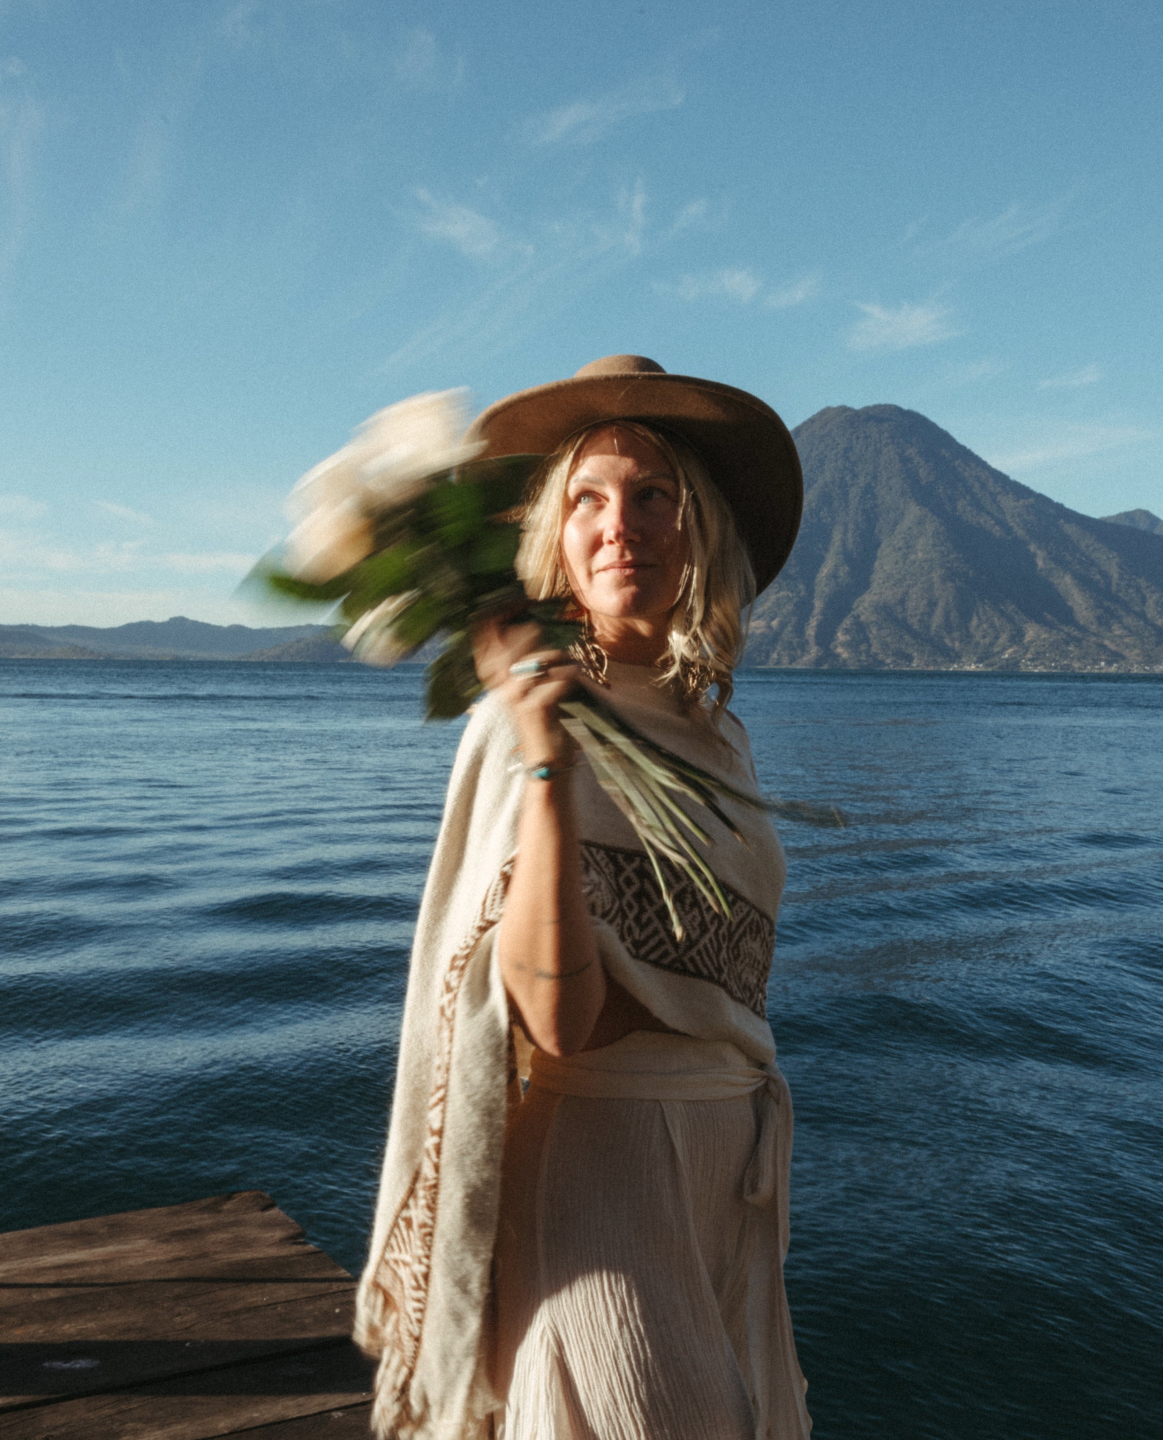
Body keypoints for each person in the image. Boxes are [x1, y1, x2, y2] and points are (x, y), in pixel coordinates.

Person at [354, 355, 812, 1440]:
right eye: (587, 499)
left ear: (700, 527)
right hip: (604, 1170)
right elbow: (556, 1019)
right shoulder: (526, 725)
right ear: (553, 537)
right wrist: (546, 764)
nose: (621, 527)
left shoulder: (719, 735)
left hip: (724, 1175)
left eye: (654, 495)